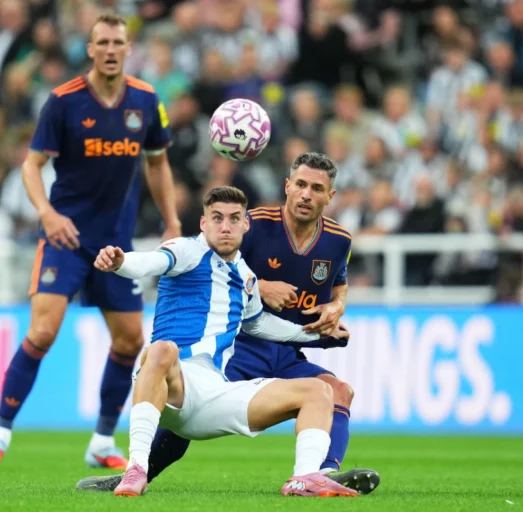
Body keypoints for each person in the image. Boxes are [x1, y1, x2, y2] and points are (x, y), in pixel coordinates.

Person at [77, 152, 380, 494]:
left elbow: (275, 313)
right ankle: (135, 471)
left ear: (330, 196)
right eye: (300, 185)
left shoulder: (311, 252)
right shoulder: (214, 239)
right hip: (209, 364)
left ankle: (313, 475)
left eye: (316, 188)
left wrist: (326, 325)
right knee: (169, 374)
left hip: (251, 370)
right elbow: (158, 261)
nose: (225, 226)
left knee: (328, 390)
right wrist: (120, 261)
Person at [0, 12, 180, 470]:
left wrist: (171, 220)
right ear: (90, 49)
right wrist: (47, 214)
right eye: (101, 42)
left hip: (116, 249)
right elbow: (30, 165)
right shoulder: (64, 101)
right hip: (65, 238)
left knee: (130, 342)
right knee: (43, 331)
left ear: (128, 49)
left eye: (117, 42)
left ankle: (102, 441)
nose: (109, 49)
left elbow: (158, 163)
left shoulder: (146, 101)